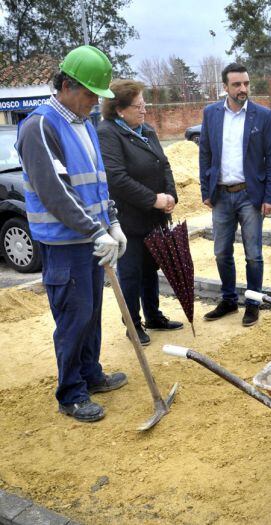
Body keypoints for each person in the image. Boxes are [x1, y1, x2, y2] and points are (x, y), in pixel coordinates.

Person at [16, 46, 128, 423]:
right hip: (65, 244)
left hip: (93, 239)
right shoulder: (40, 126)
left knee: (93, 313)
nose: (95, 102)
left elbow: (97, 184)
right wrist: (96, 230)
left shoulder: (85, 124)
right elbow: (55, 191)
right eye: (90, 93)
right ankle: (71, 393)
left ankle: (90, 374)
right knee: (73, 318)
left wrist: (112, 221)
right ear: (66, 85)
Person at [97, 79, 182, 346]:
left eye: (145, 104)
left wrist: (170, 197)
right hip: (130, 219)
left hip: (155, 217)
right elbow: (117, 178)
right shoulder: (108, 132)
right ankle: (133, 324)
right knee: (131, 273)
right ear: (120, 109)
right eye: (138, 105)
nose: (144, 110)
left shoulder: (147, 131)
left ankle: (154, 316)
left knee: (150, 268)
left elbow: (164, 164)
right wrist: (152, 199)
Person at [199, 63, 271, 326]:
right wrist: (205, 189)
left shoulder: (263, 115)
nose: (243, 88)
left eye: (246, 83)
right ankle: (229, 300)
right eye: (237, 84)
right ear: (225, 87)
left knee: (253, 254)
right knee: (221, 252)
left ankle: (253, 302)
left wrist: (270, 196)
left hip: (250, 195)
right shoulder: (211, 114)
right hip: (221, 195)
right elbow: (205, 154)